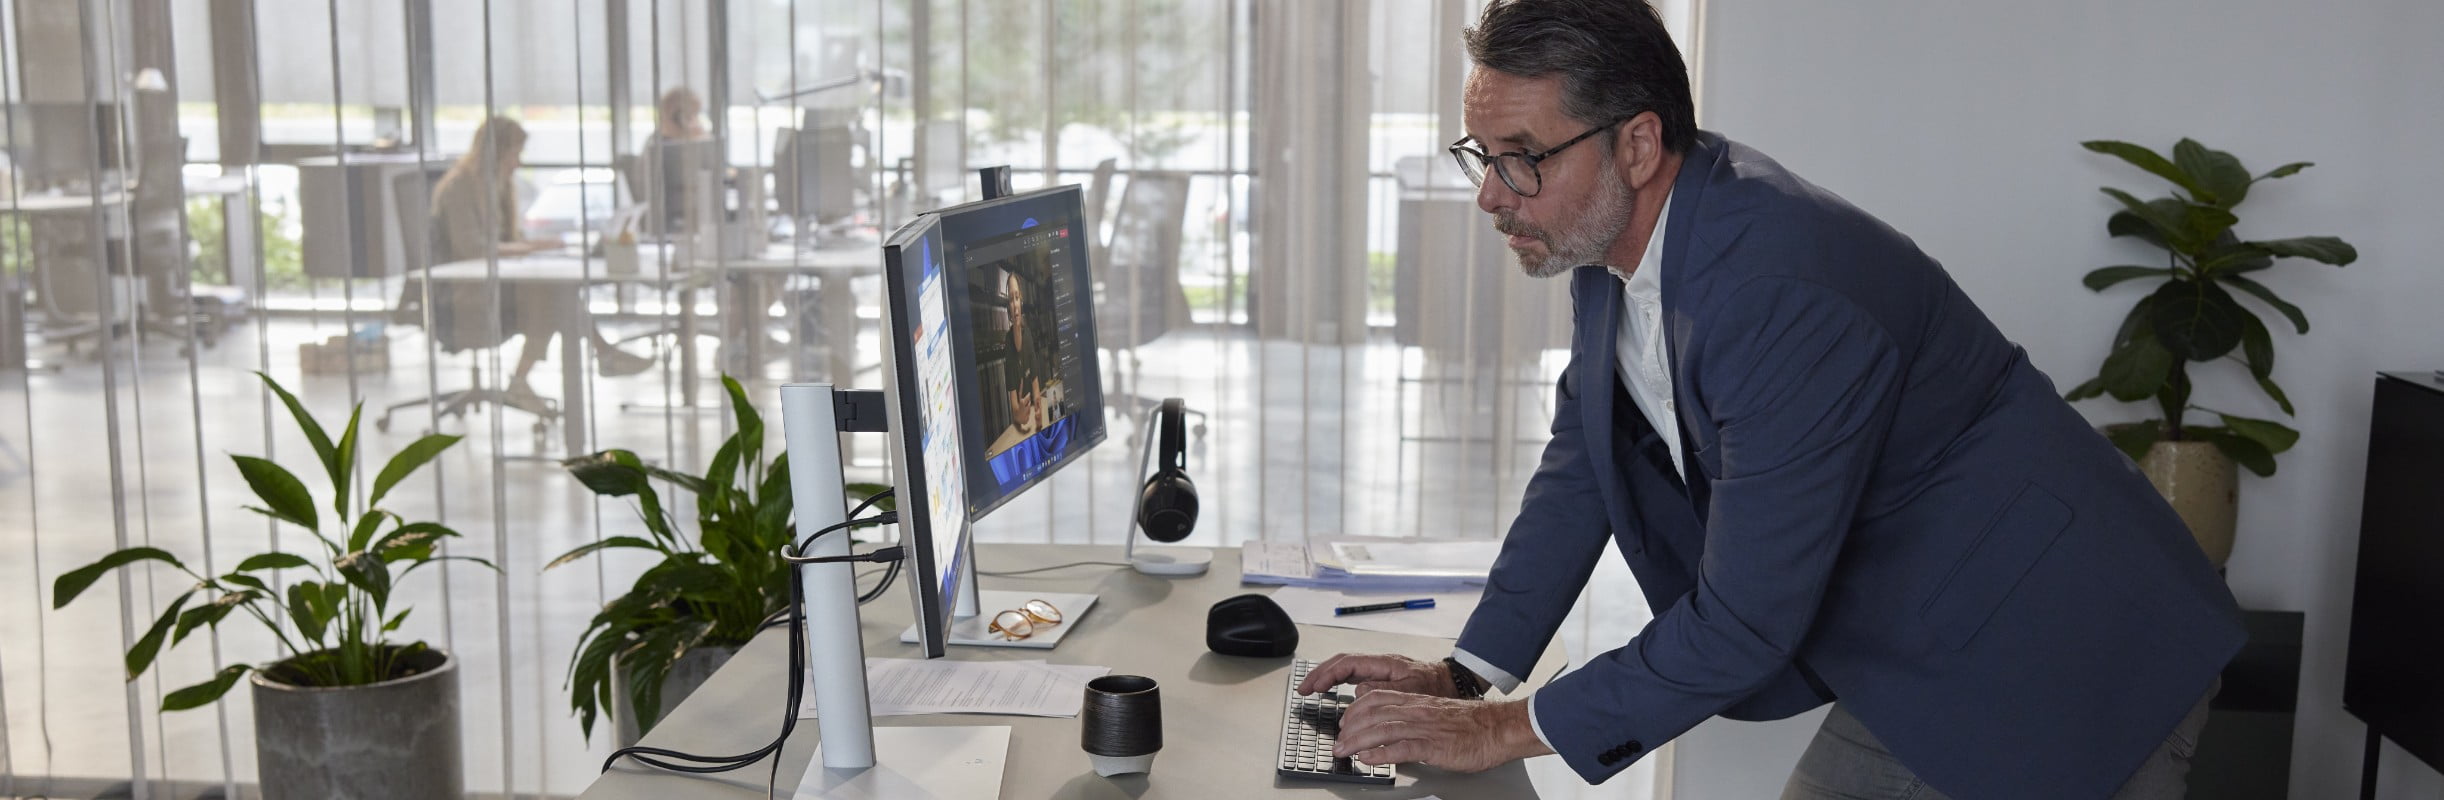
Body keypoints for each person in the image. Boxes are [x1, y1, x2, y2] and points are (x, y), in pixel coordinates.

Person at [1296, 2, 2242, 798]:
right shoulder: (1613, 248)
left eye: (1522, 157)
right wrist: (1467, 676)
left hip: (2068, 649)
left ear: (1635, 143)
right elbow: (1585, 465)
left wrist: (1501, 730)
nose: (1491, 198)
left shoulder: (1779, 290)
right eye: (1483, 154)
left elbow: (1745, 621)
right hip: (1918, 634)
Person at [428, 117, 654, 394]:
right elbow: (474, 249)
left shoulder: (496, 187)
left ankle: (531, 378)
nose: (518, 162)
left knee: (554, 296)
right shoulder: (459, 188)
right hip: (461, 295)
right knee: (553, 298)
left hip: (493, 285)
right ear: (496, 152)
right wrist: (534, 248)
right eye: (514, 153)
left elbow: (509, 240)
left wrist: (543, 244)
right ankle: (597, 356)